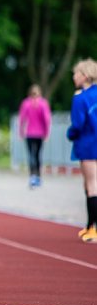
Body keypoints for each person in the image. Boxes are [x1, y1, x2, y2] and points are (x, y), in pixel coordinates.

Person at [66, 59, 97, 243]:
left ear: (84, 76)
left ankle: (92, 228)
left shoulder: (80, 98)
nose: (73, 77)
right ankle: (89, 225)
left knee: (91, 185)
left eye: (76, 73)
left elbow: (77, 125)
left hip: (87, 144)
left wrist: (70, 134)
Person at [18, 84, 52, 188]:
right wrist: (47, 133)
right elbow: (47, 119)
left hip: (29, 133)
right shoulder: (43, 103)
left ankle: (32, 176)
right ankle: (38, 176)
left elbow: (22, 119)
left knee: (31, 155)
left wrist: (21, 132)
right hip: (40, 133)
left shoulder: (26, 103)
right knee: (37, 155)